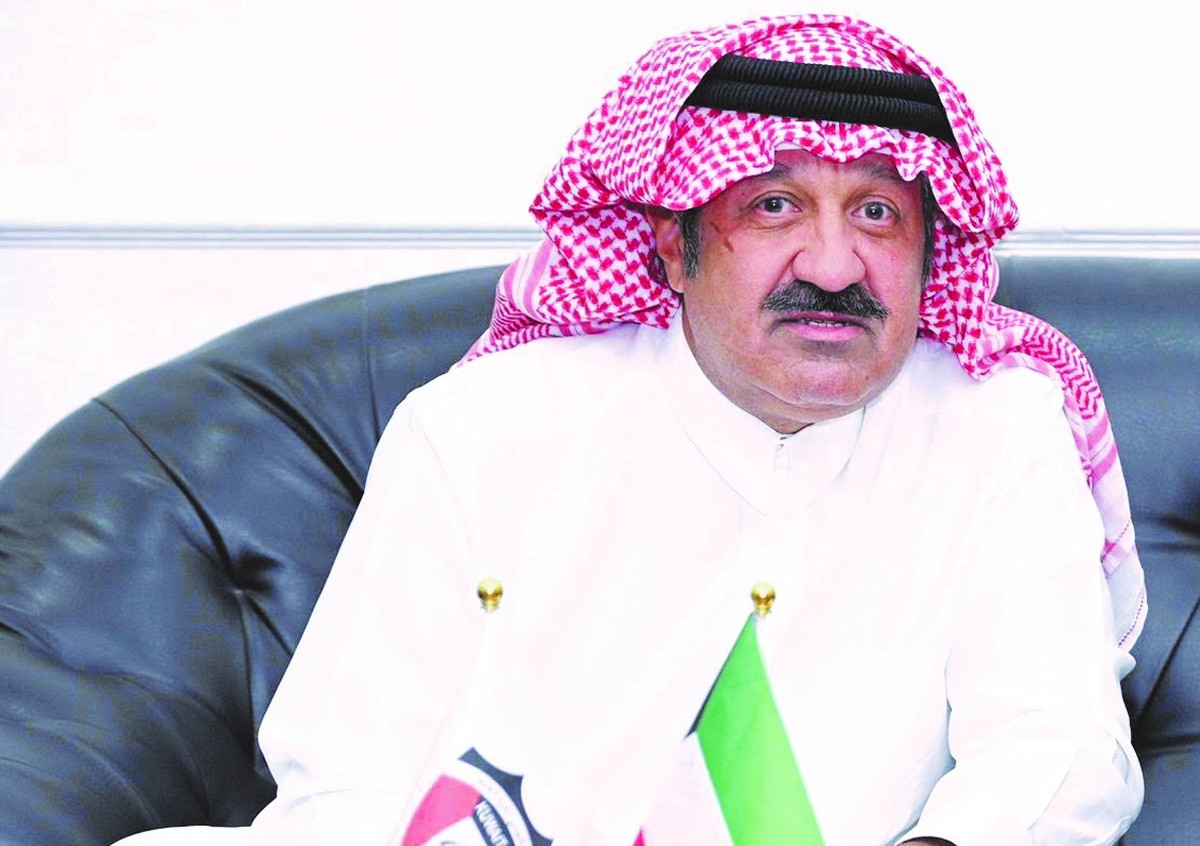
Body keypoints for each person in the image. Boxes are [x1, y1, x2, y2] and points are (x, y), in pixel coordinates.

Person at [115, 13, 1146, 846]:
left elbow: (1057, 745)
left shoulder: (996, 429)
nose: (835, 266)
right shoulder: (482, 432)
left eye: (878, 213)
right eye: (774, 206)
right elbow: (352, 774)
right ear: (670, 247)